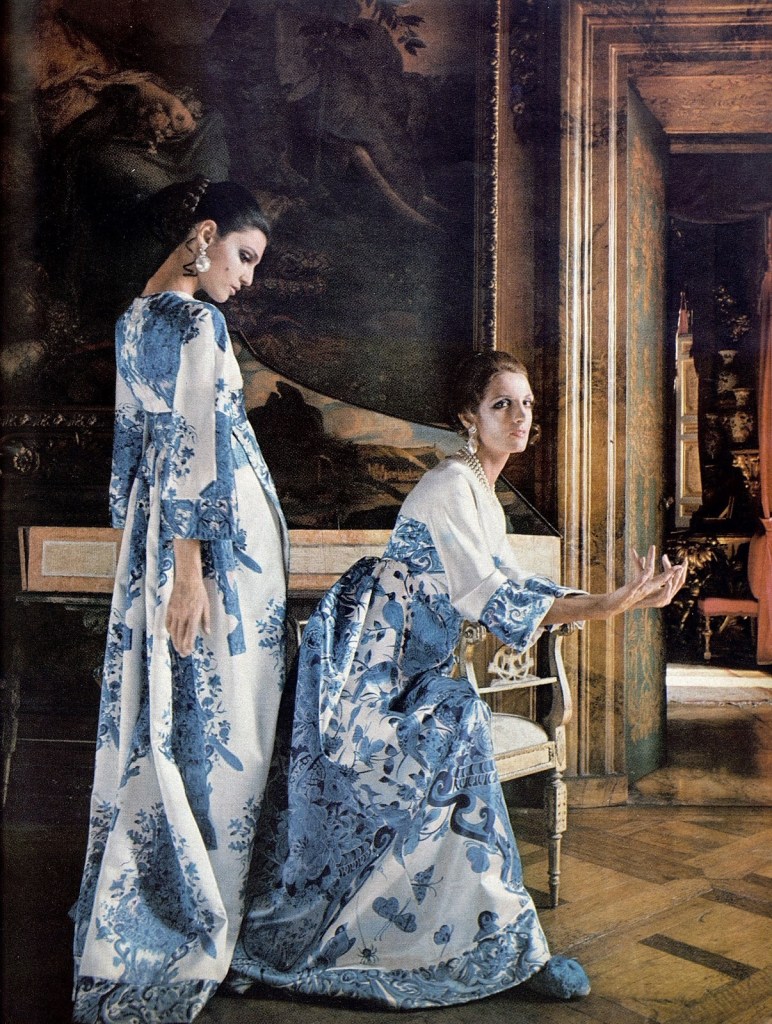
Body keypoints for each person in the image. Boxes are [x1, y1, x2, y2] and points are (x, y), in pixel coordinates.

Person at [226, 350, 687, 1009]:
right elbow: (490, 596)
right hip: (366, 685)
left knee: (457, 714)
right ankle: (506, 943)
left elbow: (515, 587)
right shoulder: (450, 485)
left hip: (408, 672)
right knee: (459, 719)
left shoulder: (480, 493)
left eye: (526, 403)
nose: (521, 416)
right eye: (502, 404)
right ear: (469, 418)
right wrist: (609, 604)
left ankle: (488, 937)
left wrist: (622, 598)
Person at [71, 177, 289, 1023]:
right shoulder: (199, 321)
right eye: (244, 255)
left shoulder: (133, 318)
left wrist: (149, 559)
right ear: (205, 235)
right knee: (227, 725)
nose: (247, 276)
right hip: (216, 563)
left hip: (156, 547)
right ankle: (212, 920)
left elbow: (130, 463)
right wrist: (191, 570)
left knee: (182, 718)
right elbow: (196, 447)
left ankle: (182, 907)